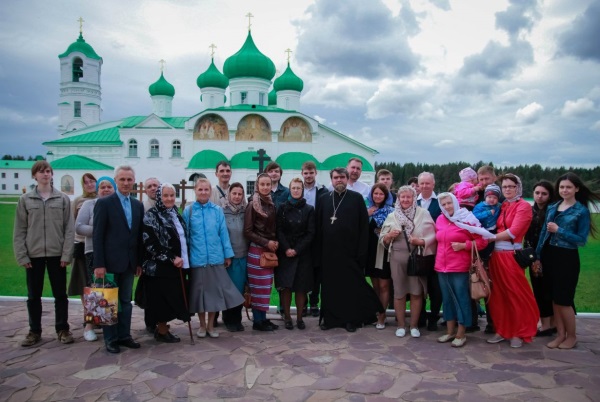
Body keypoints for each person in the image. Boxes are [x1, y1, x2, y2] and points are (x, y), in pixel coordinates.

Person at [13, 160, 75, 347]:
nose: (45, 174)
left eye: (48, 171)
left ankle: (62, 329)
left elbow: (69, 229)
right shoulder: (26, 200)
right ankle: (34, 331)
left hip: (57, 255)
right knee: (34, 296)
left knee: (60, 295)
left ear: (52, 174)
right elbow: (20, 230)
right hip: (34, 255)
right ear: (34, 176)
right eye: (41, 172)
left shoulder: (62, 199)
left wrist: (66, 254)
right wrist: (22, 255)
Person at [536, 173, 599, 349]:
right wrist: (538, 256)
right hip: (549, 255)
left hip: (567, 258)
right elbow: (543, 234)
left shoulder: (581, 211)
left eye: (568, 187)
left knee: (564, 300)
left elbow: (581, 240)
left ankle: (572, 336)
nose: (564, 190)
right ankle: (560, 335)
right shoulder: (553, 207)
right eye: (562, 187)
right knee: (554, 299)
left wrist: (559, 230)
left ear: (576, 189)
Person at [317, 167, 384, 332]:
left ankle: (350, 320)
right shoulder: (324, 199)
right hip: (328, 253)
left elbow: (363, 228)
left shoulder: (356, 199)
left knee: (350, 288)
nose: (339, 180)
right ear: (331, 180)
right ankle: (330, 320)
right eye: (335, 178)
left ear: (347, 179)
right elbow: (318, 228)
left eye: (342, 177)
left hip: (350, 253)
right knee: (330, 288)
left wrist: (361, 252)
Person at [93, 165, 144, 354]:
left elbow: (138, 237)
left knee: (125, 301)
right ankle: (111, 339)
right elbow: (98, 236)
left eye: (129, 179)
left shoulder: (137, 205)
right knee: (109, 302)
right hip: (110, 263)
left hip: (130, 263)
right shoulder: (105, 203)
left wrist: (138, 261)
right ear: (116, 180)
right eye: (122, 179)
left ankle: (124, 335)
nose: (126, 183)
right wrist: (99, 264)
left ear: (134, 181)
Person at [184, 178, 243, 338]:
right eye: (200, 190)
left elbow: (223, 234)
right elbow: (186, 237)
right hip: (198, 260)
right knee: (200, 295)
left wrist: (227, 254)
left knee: (214, 294)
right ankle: (202, 325)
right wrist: (186, 258)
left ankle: (211, 325)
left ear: (210, 191)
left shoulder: (217, 211)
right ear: (195, 191)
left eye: (206, 190)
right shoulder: (189, 211)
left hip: (216, 258)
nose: (203, 192)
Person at [486, 173, 538, 348]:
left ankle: (519, 331)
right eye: (505, 187)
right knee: (498, 296)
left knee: (515, 294)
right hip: (496, 256)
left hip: (510, 256)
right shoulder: (504, 205)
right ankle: (502, 330)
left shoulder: (524, 207)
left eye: (511, 186)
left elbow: (514, 232)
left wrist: (489, 237)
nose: (507, 189)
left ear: (518, 187)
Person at [434, 193, 493, 347]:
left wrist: (464, 246)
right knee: (446, 299)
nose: (447, 206)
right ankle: (449, 331)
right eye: (444, 204)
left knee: (461, 299)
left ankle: (461, 333)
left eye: (449, 203)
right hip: (441, 266)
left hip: (459, 267)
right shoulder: (440, 219)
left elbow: (483, 240)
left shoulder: (466, 218)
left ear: (455, 202)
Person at [379, 185, 436, 338]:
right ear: (398, 199)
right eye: (402, 197)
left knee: (416, 292)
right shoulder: (392, 215)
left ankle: (414, 325)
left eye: (408, 197)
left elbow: (433, 235)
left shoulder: (423, 213)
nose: (405, 200)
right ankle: (401, 325)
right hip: (397, 258)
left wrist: (421, 241)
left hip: (417, 257)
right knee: (399, 292)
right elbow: (382, 239)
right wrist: (389, 235)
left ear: (413, 199)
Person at [142, 183, 191, 343]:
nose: (169, 199)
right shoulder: (152, 215)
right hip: (160, 267)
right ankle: (162, 330)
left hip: (177, 265)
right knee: (161, 301)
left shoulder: (175, 213)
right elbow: (151, 243)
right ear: (159, 197)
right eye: (165, 196)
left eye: (172, 195)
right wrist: (171, 257)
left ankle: (162, 329)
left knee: (172, 298)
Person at [75, 176, 116, 342]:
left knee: (110, 289)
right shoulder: (89, 204)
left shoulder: (117, 205)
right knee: (95, 289)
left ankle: (109, 326)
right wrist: (99, 229)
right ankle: (89, 326)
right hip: (93, 251)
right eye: (102, 187)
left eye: (109, 187)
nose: (106, 190)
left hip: (113, 252)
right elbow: (78, 226)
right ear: (98, 189)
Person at [276, 178, 315, 330]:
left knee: (301, 288)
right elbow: (278, 229)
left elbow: (311, 233)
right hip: (285, 252)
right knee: (286, 287)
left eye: (299, 188)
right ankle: (287, 317)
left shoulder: (309, 209)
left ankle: (299, 318)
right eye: (293, 188)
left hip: (302, 253)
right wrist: (286, 248)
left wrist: (297, 249)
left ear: (302, 190)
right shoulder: (282, 208)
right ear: (290, 189)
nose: (296, 190)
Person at [244, 173, 280, 331]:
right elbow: (248, 231)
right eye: (262, 184)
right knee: (257, 287)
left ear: (272, 186)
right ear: (257, 186)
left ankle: (263, 319)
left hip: (269, 250)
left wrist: (274, 241)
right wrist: (267, 242)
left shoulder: (271, 203)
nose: (265, 187)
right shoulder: (253, 204)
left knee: (266, 287)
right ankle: (258, 321)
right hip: (257, 250)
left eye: (268, 184)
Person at [526, 180, 556, 337]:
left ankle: (552, 323)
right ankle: (545, 323)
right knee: (538, 289)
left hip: (550, 255)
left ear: (550, 195)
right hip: (533, 256)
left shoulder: (553, 211)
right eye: (537, 193)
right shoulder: (529, 211)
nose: (540, 196)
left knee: (550, 290)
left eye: (544, 193)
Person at [302, 161, 329, 317]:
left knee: (317, 271)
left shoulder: (322, 191)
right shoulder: (297, 189)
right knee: (303, 271)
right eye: (306, 173)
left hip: (318, 236)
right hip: (301, 235)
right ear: (302, 174)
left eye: (311, 173)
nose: (309, 176)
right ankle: (303, 302)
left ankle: (314, 302)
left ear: (315, 173)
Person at [365, 183, 394, 329]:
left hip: (384, 251)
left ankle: (383, 316)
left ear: (386, 196)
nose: (378, 196)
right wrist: (367, 215)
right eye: (375, 193)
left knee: (384, 285)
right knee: (375, 284)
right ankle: (378, 311)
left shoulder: (391, 212)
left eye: (381, 194)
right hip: (370, 251)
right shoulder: (367, 210)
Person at [416, 172, 442, 331]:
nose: (424, 186)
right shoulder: (413, 201)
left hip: (436, 251)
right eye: (422, 183)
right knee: (418, 286)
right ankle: (420, 317)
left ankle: (433, 317)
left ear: (433, 184)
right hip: (416, 252)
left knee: (435, 288)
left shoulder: (440, 202)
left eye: (427, 183)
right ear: (418, 185)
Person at [222, 182, 249, 332]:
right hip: (229, 258)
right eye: (234, 193)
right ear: (229, 194)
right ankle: (228, 319)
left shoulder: (246, 212)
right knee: (229, 290)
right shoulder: (222, 212)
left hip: (243, 256)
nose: (237, 197)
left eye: (240, 194)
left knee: (239, 290)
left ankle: (236, 319)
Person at [68, 173, 96, 305]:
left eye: (92, 181)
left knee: (96, 282)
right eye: (86, 182)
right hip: (81, 244)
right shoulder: (78, 201)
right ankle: (87, 314)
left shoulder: (101, 199)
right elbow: (72, 224)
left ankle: (97, 314)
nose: (90, 184)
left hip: (96, 247)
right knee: (82, 282)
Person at [473, 184, 502, 260]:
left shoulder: (498, 206)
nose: (492, 199)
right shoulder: (479, 206)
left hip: (492, 230)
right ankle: (480, 260)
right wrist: (487, 213)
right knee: (482, 248)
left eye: (495, 198)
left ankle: (486, 260)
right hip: (482, 230)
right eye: (489, 197)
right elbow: (474, 217)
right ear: (485, 197)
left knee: (490, 248)